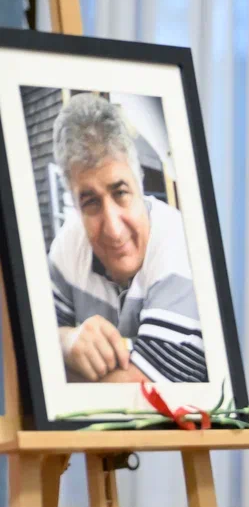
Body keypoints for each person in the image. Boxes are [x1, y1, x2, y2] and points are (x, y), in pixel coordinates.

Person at [48, 92, 207, 384]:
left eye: (120, 193)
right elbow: (29, 342)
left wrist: (56, 362)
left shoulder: (182, 248)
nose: (113, 229)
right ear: (75, 205)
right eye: (90, 202)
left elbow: (142, 393)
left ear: (140, 183)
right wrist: (66, 341)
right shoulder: (68, 245)